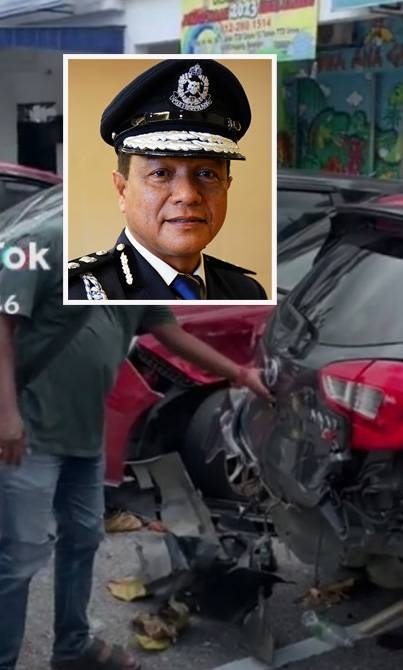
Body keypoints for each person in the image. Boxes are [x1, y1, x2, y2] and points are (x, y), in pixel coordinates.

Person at [0, 199, 273, 669]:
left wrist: (239, 373)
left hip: (85, 435)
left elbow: (169, 333)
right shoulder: (43, 242)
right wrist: (6, 414)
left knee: (83, 539)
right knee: (20, 556)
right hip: (31, 429)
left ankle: (72, 648)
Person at [68, 59, 267, 301]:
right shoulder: (79, 295)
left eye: (206, 174)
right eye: (160, 174)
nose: (188, 195)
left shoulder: (245, 292)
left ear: (227, 186)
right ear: (122, 190)